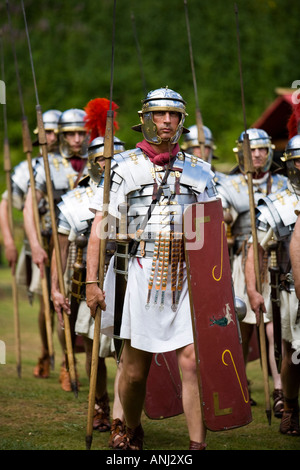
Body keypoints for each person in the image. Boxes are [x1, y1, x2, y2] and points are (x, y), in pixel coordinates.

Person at [85, 87, 218, 450]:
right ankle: (129, 426)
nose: (166, 121)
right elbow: (101, 225)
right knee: (134, 371)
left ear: (181, 121)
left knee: (190, 363)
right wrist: (92, 282)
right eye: (159, 114)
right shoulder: (124, 167)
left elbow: (212, 233)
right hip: (139, 272)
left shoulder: (201, 172)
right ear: (145, 119)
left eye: (173, 115)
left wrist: (215, 287)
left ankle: (197, 445)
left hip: (185, 279)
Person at [51, 135, 125, 445]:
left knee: (124, 352)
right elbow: (61, 248)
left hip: (124, 280)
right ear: (93, 162)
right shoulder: (74, 200)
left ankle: (124, 415)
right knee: (94, 350)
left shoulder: (134, 192)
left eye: (114, 158)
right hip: (87, 283)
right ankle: (100, 405)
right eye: (102, 159)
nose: (108, 164)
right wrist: (56, 288)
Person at [216, 128, 287, 415]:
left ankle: (280, 390)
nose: (256, 154)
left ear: (269, 151)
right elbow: (220, 214)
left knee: (274, 329)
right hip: (242, 262)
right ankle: (238, 382)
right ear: (241, 153)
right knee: (241, 328)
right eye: (251, 149)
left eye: (261, 149)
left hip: (277, 262)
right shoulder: (230, 184)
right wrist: (225, 213)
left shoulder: (283, 183)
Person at [23, 108, 89, 390]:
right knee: (58, 305)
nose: (76, 140)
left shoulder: (98, 159)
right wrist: (36, 245)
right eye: (70, 134)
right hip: (57, 243)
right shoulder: (46, 164)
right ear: (61, 136)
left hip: (90, 244)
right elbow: (28, 208)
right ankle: (65, 360)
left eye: (81, 133)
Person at [0, 109, 62, 379]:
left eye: (53, 132)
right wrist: (9, 241)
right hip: (42, 244)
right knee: (46, 301)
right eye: (44, 132)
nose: (48, 137)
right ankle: (47, 353)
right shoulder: (27, 167)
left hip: (70, 243)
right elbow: (5, 204)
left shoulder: (74, 165)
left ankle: (68, 360)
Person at [245, 134, 300, 436]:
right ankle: (290, 406)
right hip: (291, 292)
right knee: (293, 355)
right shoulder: (279, 204)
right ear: (290, 165)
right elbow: (256, 248)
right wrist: (253, 289)